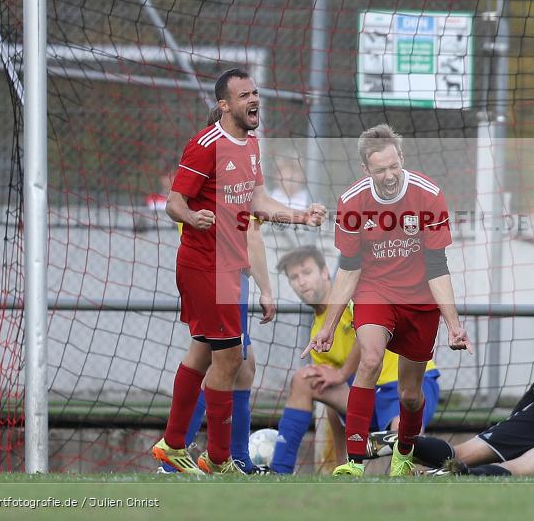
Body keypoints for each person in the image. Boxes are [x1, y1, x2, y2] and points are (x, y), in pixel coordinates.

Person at [152, 68, 326, 475]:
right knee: (231, 362)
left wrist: (300, 217)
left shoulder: (251, 146)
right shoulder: (204, 144)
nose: (254, 100)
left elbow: (257, 204)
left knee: (210, 356)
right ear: (224, 104)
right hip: (205, 267)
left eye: (256, 93)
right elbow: (174, 203)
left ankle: (174, 446)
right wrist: (192, 217)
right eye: (244, 95)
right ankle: (216, 458)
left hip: (229, 271)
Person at [303, 123, 472, 477]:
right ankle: (353, 461)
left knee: (410, 395)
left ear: (402, 159)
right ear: (366, 170)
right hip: (375, 291)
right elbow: (348, 271)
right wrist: (329, 327)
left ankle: (404, 453)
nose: (390, 175)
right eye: (381, 170)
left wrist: (454, 325)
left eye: (394, 166)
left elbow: (438, 267)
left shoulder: (428, 195)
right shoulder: (351, 202)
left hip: (420, 298)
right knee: (370, 359)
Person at [158, 107, 277, 475]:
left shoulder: (235, 165)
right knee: (226, 360)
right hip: (220, 277)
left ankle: (211, 453)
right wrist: (265, 288)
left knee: (235, 361)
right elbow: (250, 233)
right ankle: (203, 455)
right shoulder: (220, 164)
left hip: (224, 275)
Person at [270, 245, 441, 474]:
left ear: (324, 273)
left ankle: (435, 465)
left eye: (307, 272)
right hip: (367, 395)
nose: (301, 281)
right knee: (307, 379)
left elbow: (370, 343)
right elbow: (333, 389)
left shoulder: (351, 298)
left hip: (402, 384)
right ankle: (282, 471)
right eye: (294, 277)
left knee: (404, 434)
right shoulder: (317, 332)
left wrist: (341, 373)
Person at [368, 362, 534, 477]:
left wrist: (512, 429)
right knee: (515, 469)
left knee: (460, 451)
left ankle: (384, 442)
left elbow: (532, 396)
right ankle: (441, 477)